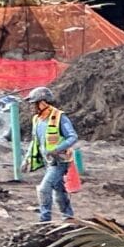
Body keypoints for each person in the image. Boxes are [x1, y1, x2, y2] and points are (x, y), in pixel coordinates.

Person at [27, 86, 81, 223]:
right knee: (59, 191)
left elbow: (72, 136)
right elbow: (35, 142)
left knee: (44, 189)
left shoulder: (59, 117)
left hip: (59, 161)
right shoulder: (37, 120)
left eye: (34, 103)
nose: (32, 107)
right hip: (48, 161)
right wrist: (27, 159)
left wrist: (58, 149)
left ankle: (44, 219)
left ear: (43, 102)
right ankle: (68, 217)